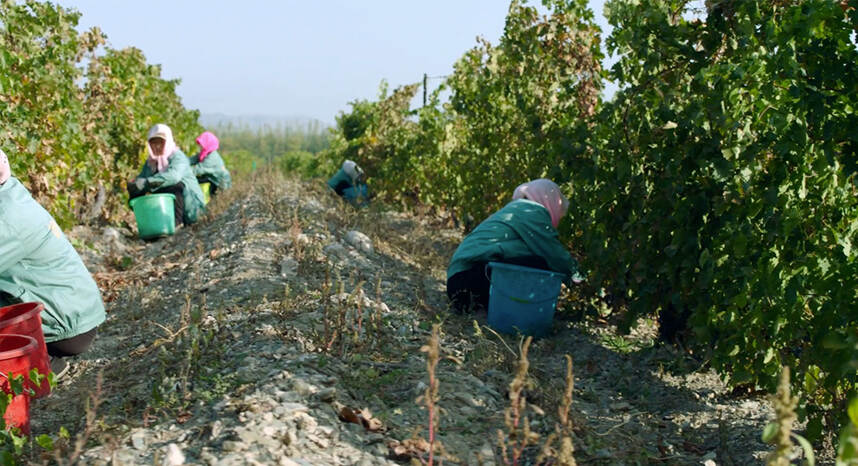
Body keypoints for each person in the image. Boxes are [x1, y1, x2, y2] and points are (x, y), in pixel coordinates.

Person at [0, 148, 106, 375]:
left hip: (67, 326)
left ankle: (40, 364)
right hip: (72, 309)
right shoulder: (9, 192)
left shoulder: (7, 217)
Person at [446, 179, 580, 313]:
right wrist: (579, 277)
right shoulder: (531, 211)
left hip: (458, 285)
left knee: (533, 259)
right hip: (467, 282)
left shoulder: (516, 210)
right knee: (540, 263)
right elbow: (554, 254)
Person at [128, 124, 206, 226]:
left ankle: (177, 224)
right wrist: (135, 185)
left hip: (191, 208)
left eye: (161, 142)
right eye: (153, 143)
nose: (157, 146)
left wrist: (147, 182)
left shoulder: (178, 157)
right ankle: (148, 224)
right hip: (167, 210)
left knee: (175, 186)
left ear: (167, 142)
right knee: (136, 191)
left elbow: (174, 176)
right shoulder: (151, 163)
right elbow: (143, 178)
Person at [189, 131, 232, 196]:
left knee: (218, 201)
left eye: (202, 143)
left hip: (220, 183)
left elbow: (198, 169)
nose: (200, 146)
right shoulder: (204, 154)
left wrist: (181, 171)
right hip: (212, 179)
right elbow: (190, 160)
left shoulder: (212, 157)